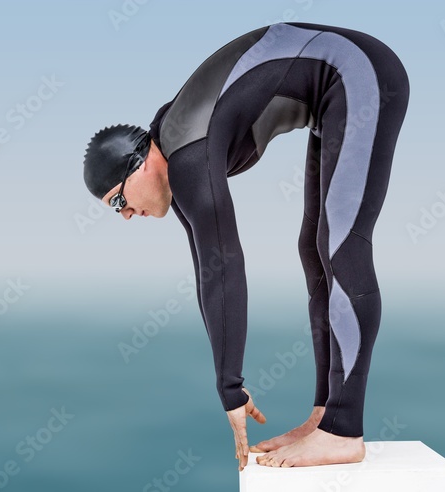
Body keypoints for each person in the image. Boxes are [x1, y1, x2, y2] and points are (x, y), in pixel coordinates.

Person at [82, 22, 410, 470]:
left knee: (342, 248)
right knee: (314, 251)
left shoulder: (187, 154)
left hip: (360, 74)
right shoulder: (174, 152)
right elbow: (207, 270)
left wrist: (230, 388)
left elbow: (225, 268)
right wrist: (229, 384)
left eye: (117, 200)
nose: (123, 214)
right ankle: (326, 414)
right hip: (333, 89)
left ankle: (344, 430)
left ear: (138, 165)